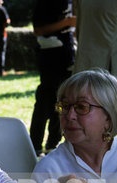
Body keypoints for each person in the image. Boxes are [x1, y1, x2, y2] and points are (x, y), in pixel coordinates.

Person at [29, 0, 76, 155]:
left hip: (68, 57)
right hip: (50, 60)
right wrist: (66, 23)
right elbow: (38, 30)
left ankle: (53, 144)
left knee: (62, 102)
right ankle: (35, 144)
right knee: (44, 102)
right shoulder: (44, 4)